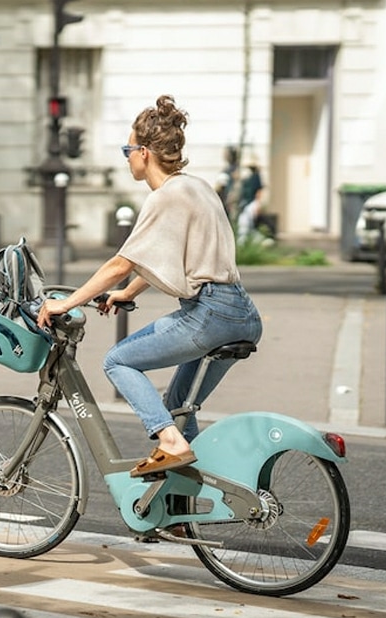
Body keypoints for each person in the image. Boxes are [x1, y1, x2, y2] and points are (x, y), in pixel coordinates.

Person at [37, 95, 263, 478]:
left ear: (144, 152)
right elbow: (162, 255)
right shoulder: (197, 187)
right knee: (178, 406)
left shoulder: (165, 197)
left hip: (208, 314)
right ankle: (182, 509)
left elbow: (119, 264)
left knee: (118, 361)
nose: (126, 158)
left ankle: (170, 442)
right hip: (241, 311)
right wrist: (127, 293)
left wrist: (66, 303)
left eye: (128, 150)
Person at [234, 153, 264, 241]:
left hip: (252, 202)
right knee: (247, 225)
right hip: (246, 202)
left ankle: (245, 241)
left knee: (245, 223)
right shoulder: (249, 176)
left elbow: (259, 191)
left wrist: (258, 204)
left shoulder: (256, 176)